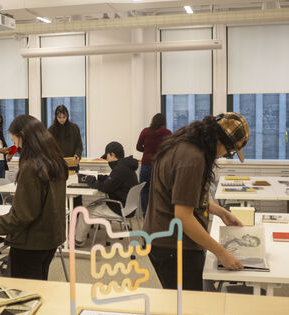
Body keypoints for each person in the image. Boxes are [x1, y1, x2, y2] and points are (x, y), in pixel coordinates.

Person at [144, 112, 250, 291]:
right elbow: (183, 217)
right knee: (189, 307)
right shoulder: (193, 158)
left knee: (186, 303)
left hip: (163, 239)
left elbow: (183, 196)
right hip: (173, 246)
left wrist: (222, 213)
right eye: (229, 151)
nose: (224, 155)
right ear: (220, 140)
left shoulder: (183, 144)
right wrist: (222, 253)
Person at [0, 114, 68, 280]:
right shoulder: (54, 161)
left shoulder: (32, 167)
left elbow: (22, 215)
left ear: (23, 135)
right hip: (49, 240)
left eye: (15, 142)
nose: (16, 148)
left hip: (30, 244)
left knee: (26, 297)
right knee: (39, 289)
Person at [75, 141, 139, 247]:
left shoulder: (119, 170)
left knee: (85, 211)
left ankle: (78, 241)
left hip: (119, 208)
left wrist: (90, 179)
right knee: (92, 206)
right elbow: (112, 181)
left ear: (112, 154)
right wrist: (98, 177)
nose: (107, 159)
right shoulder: (126, 167)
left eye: (107, 156)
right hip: (128, 207)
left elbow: (105, 187)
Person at [136, 113, 172, 217]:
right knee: (160, 190)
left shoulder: (145, 131)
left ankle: (145, 214)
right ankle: (157, 214)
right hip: (160, 165)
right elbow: (171, 148)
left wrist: (147, 151)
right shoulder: (167, 133)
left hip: (146, 164)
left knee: (145, 189)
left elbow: (138, 147)